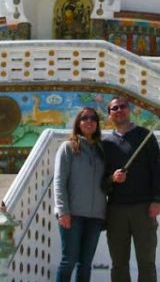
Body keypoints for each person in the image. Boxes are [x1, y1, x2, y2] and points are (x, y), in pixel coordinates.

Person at [102, 96, 160, 282]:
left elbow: (157, 170)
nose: (119, 110)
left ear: (129, 110)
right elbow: (100, 182)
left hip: (143, 208)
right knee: (118, 263)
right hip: (116, 210)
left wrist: (156, 199)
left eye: (122, 107)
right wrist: (112, 178)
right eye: (114, 108)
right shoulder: (106, 144)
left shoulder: (145, 136)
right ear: (109, 114)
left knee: (146, 261)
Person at [53, 107, 107, 282]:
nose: (89, 121)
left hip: (95, 215)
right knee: (69, 260)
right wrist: (63, 211)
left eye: (93, 118)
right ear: (78, 123)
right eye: (84, 118)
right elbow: (59, 181)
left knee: (85, 263)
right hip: (73, 214)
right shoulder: (68, 147)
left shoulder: (101, 150)